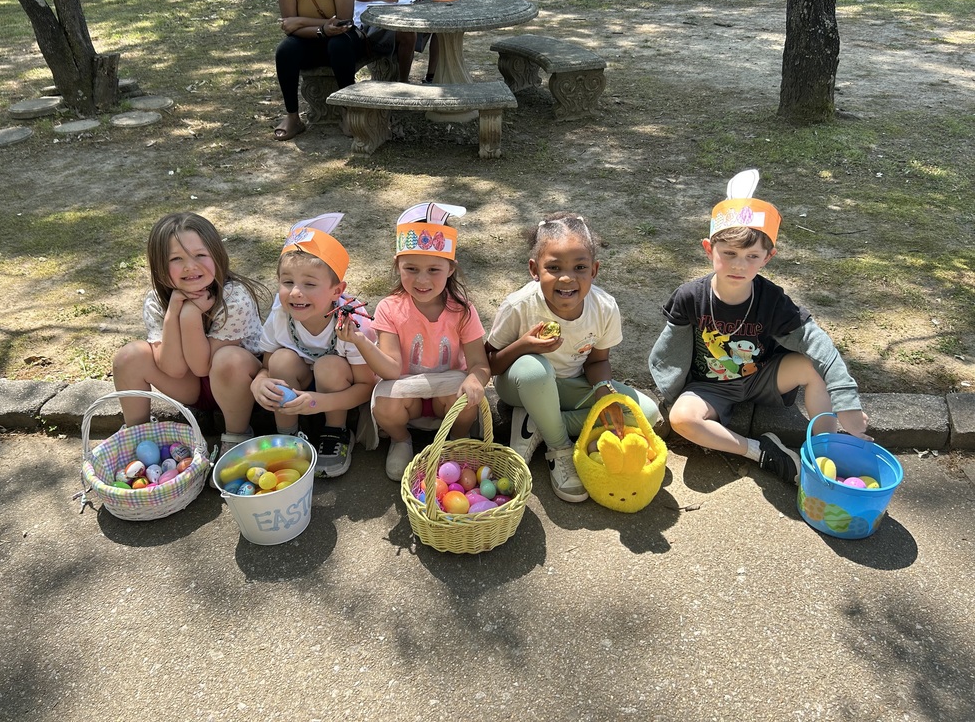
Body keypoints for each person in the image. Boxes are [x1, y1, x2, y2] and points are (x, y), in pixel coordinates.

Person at [648, 169, 870, 485]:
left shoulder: (772, 300)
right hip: (710, 386)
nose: (739, 265)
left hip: (763, 376)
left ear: (768, 257)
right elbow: (670, 348)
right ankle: (760, 451)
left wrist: (846, 402)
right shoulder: (690, 297)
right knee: (682, 419)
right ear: (709, 249)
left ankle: (825, 454)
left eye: (752, 256)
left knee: (814, 365)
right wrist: (672, 389)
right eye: (729, 253)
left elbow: (816, 342)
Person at [485, 214, 660, 503]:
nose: (567, 278)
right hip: (519, 385)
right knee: (535, 370)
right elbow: (491, 364)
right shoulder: (519, 306)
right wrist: (523, 346)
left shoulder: (604, 307)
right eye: (554, 268)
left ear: (594, 270)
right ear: (534, 269)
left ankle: (537, 424)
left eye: (580, 267)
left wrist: (603, 391)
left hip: (570, 386)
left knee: (648, 413)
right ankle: (559, 447)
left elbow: (597, 362)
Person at [112, 213, 269, 456]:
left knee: (228, 359)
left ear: (216, 255)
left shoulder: (235, 297)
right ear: (160, 266)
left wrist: (190, 314)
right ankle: (137, 439)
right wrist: (173, 312)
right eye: (176, 259)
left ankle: (236, 436)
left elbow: (203, 367)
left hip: (239, 385)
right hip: (192, 387)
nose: (190, 266)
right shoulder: (156, 301)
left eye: (200, 255)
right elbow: (173, 369)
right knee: (129, 357)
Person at [361, 202, 490, 480]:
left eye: (433, 270)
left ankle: (457, 440)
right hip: (408, 398)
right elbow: (391, 370)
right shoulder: (389, 308)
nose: (422, 280)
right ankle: (401, 440)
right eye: (411, 268)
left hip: (448, 397)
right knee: (384, 400)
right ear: (398, 265)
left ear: (451, 268)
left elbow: (480, 364)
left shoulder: (463, 310)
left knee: (466, 394)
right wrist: (360, 341)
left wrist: (474, 379)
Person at [250, 213, 378, 478]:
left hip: (338, 394)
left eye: (309, 283)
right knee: (280, 360)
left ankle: (336, 431)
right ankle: (287, 435)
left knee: (329, 365)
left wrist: (321, 402)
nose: (296, 292)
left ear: (336, 291)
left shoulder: (351, 324)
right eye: (288, 282)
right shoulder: (280, 314)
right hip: (300, 386)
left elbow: (366, 387)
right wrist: (259, 382)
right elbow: (268, 366)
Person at [274, 0, 366, 139]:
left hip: (343, 38)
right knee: (285, 51)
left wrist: (301, 21)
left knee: (338, 46)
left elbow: (343, 21)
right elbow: (290, 28)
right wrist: (321, 30)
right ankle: (293, 117)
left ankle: (348, 111)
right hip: (310, 38)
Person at [349, 0, 438, 83]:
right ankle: (403, 83)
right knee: (407, 32)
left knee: (440, 25)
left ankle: (432, 78)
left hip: (397, 17)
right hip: (369, 24)